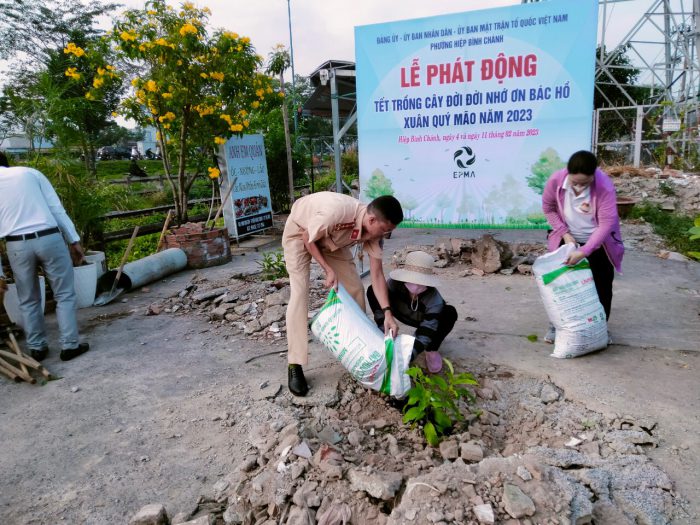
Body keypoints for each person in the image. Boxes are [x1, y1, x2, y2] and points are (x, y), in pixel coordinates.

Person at [283, 192, 404, 396]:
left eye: (389, 232)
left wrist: (388, 313)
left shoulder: (375, 232)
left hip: (332, 241)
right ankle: (295, 364)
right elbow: (307, 239)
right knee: (300, 293)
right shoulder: (336, 212)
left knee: (355, 288)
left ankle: (360, 354)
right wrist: (327, 269)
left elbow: (376, 274)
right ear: (372, 219)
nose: (385, 235)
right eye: (384, 230)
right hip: (301, 232)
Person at [0, 151, 90, 361]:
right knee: (64, 294)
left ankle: (37, 348)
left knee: (28, 298)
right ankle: (70, 346)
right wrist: (74, 240)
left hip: (16, 244)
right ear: (7, 163)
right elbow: (56, 209)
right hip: (49, 238)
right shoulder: (29, 173)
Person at [542, 150, 624, 343]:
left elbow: (606, 224)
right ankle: (557, 326)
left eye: (584, 183)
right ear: (567, 173)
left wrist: (584, 251)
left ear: (593, 176)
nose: (578, 187)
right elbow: (548, 208)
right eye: (574, 182)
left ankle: (600, 327)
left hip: (597, 242)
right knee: (562, 285)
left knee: (601, 285)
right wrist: (565, 234)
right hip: (567, 239)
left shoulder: (604, 187)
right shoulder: (556, 180)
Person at [367, 250, 457, 374]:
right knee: (374, 290)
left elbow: (427, 331)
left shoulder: (434, 299)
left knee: (449, 313)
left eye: (420, 281)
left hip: (421, 319)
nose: (416, 284)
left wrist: (407, 358)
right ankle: (385, 332)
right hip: (397, 311)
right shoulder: (394, 284)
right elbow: (381, 298)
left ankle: (431, 349)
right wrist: (386, 317)